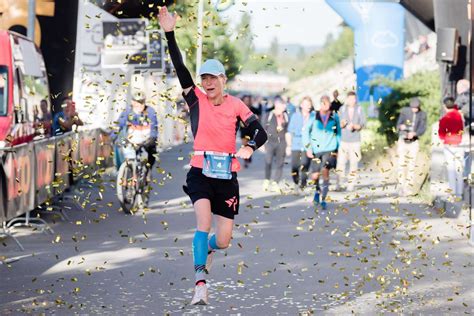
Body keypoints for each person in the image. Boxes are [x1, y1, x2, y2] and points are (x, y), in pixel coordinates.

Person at [159, 7, 267, 306]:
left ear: (223, 79)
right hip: (199, 173)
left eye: (212, 79)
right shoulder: (195, 99)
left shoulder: (236, 105)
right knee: (202, 223)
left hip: (226, 177)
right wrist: (170, 33)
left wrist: (248, 146)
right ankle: (200, 283)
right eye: (203, 78)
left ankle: (204, 249)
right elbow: (179, 66)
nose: (207, 83)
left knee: (222, 241)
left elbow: (260, 132)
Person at [303, 95, 341, 211]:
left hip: (330, 148)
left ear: (329, 104)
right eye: (323, 103)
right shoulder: (313, 116)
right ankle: (317, 191)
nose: (325, 105)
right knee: (314, 175)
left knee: (325, 171)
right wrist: (308, 148)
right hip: (316, 149)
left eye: (327, 103)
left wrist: (338, 149)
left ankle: (323, 199)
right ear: (320, 104)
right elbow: (306, 133)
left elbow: (338, 133)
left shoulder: (334, 117)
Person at [113, 90, 158, 173]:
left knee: (152, 152)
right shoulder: (127, 111)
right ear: (132, 102)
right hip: (132, 138)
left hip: (146, 139)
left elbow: (154, 127)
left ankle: (148, 171)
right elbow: (119, 124)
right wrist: (112, 137)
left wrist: (152, 138)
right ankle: (127, 172)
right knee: (128, 152)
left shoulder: (150, 111)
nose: (140, 105)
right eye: (137, 102)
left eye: (142, 102)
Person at [396, 97, 427, 196]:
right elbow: (398, 124)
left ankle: (408, 186)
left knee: (412, 164)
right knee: (401, 163)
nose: (414, 109)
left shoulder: (422, 114)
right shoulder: (404, 111)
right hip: (403, 140)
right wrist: (402, 127)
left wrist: (415, 133)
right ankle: (401, 185)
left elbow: (423, 128)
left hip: (414, 141)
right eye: (413, 107)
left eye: (416, 108)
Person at [336, 91, 366, 191]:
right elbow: (338, 124)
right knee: (341, 162)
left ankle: (351, 184)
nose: (352, 101)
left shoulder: (360, 109)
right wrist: (343, 124)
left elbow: (363, 124)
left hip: (355, 140)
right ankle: (339, 183)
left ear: (355, 99)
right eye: (350, 99)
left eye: (354, 99)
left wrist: (356, 126)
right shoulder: (342, 109)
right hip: (344, 140)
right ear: (347, 99)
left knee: (354, 163)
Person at [439, 96, 464, 199]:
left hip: (449, 145)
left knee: (451, 169)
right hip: (460, 144)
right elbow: (462, 129)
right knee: (459, 169)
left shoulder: (444, 119)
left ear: (445, 106)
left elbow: (441, 135)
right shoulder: (459, 116)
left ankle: (452, 193)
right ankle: (460, 194)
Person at [286, 96, 313, 190]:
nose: (307, 106)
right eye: (306, 104)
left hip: (308, 144)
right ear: (301, 105)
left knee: (305, 165)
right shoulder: (295, 116)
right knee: (294, 166)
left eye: (309, 104)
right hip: (296, 144)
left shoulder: (313, 116)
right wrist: (288, 146)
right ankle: (296, 183)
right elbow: (289, 132)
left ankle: (303, 184)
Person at [263, 96, 288, 192]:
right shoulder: (269, 115)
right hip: (270, 141)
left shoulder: (285, 116)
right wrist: (261, 143)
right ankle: (266, 179)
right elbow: (263, 129)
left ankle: (276, 182)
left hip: (282, 142)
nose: (284, 106)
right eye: (283, 104)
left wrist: (289, 145)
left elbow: (288, 131)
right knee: (268, 161)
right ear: (277, 105)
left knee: (280, 163)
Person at [239, 94, 259, 168]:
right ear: (243, 101)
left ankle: (249, 156)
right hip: (244, 131)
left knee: (249, 146)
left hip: (252, 131)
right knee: (244, 145)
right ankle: (246, 161)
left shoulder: (254, 109)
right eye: (245, 100)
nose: (247, 102)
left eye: (248, 100)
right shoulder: (240, 109)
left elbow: (258, 118)